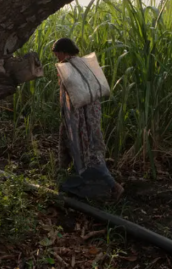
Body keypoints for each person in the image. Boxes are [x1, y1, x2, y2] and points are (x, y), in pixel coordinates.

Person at [52, 37, 124, 199]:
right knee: (76, 146)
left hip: (78, 118)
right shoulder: (84, 64)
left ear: (63, 52)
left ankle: (112, 185)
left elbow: (68, 96)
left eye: (57, 54)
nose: (57, 58)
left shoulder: (67, 68)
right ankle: (63, 176)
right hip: (90, 116)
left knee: (88, 152)